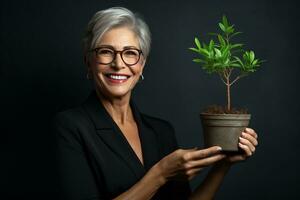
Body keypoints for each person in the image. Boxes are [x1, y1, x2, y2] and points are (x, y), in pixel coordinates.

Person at [53, 7, 258, 200]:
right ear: (88, 61)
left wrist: (222, 166)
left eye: (130, 53)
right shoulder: (71, 126)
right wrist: (161, 173)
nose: (118, 64)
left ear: (142, 65)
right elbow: (161, 173)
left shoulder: (161, 131)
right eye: (106, 51)